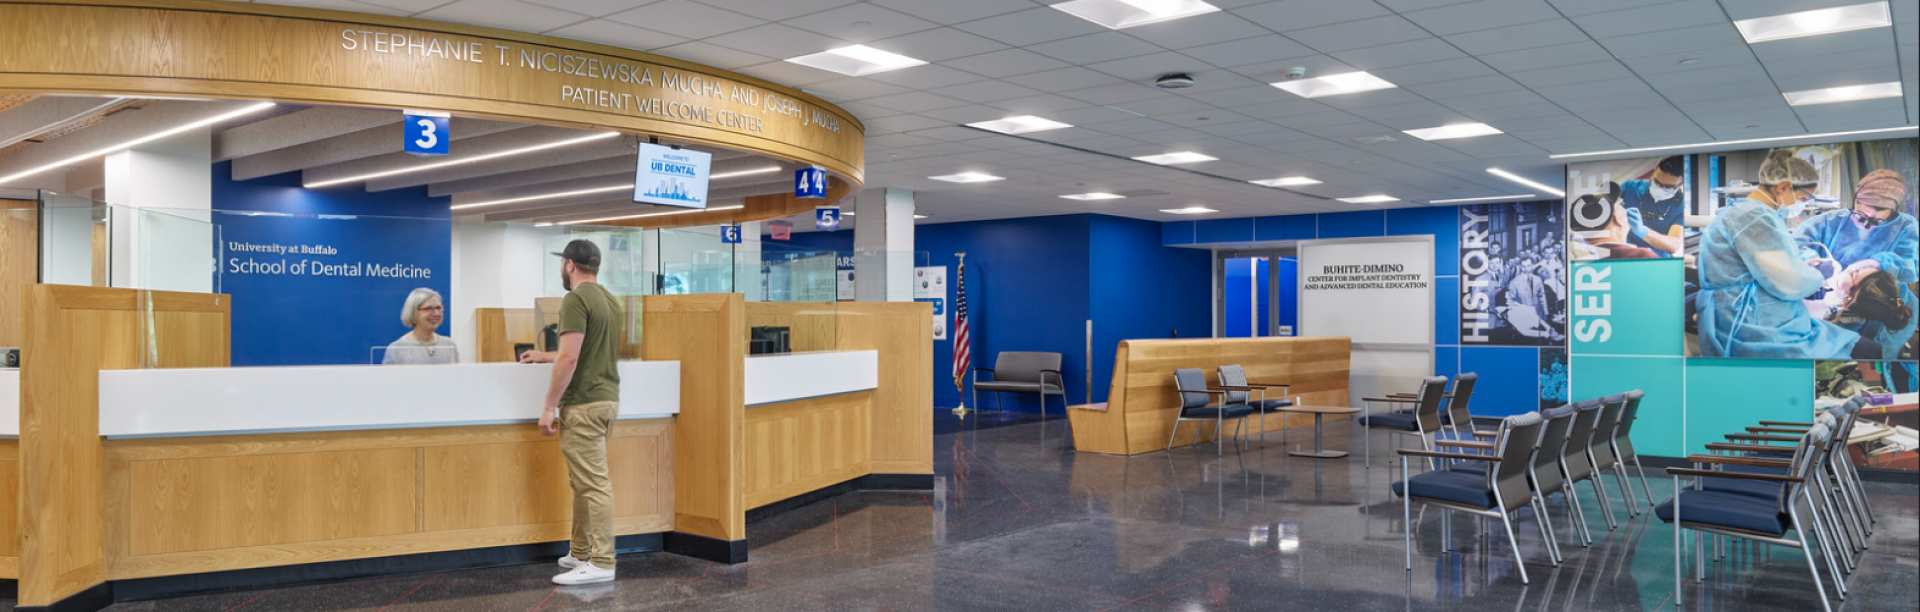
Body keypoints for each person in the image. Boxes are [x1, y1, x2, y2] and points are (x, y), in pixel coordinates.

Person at [1696, 149, 1868, 359]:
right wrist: (1818, 277)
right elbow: (1786, 280)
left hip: (1750, 313)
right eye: (1803, 197)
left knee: (1845, 340)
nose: (1803, 204)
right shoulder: (1753, 217)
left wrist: (1806, 260)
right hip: (1751, 325)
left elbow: (1776, 255)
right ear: (1783, 187)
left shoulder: (1752, 214)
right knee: (1862, 349)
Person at [520, 239, 624, 585]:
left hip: (583, 403)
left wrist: (548, 407)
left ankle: (603, 562)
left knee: (593, 484)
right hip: (607, 400)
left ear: (569, 265)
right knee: (582, 482)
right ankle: (579, 552)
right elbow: (581, 350)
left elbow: (570, 357)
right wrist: (542, 355)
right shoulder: (610, 301)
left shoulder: (575, 299)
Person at [1617, 155, 1688, 257]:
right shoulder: (1630, 187)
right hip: (1627, 253)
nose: (1660, 188)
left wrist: (1643, 231)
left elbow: (1673, 245)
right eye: (1656, 182)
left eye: (1668, 187)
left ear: (1681, 184)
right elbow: (1604, 207)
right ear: (1654, 171)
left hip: (1657, 259)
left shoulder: (1681, 205)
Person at [381, 288, 458, 364]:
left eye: (438, 308)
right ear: (413, 312)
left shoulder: (449, 345)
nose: (436, 313)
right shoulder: (397, 349)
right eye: (428, 308)